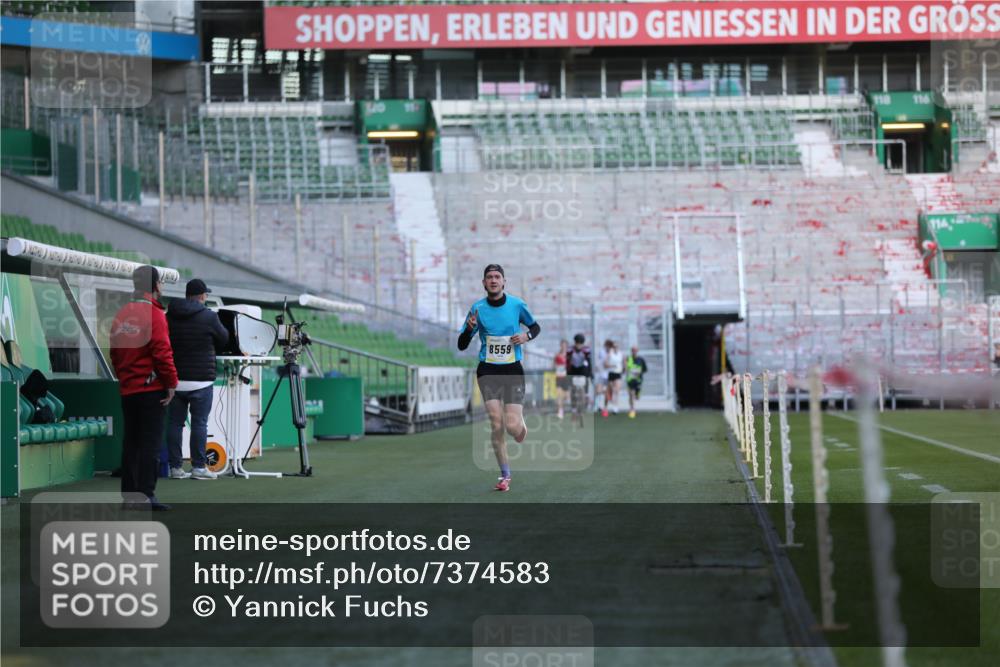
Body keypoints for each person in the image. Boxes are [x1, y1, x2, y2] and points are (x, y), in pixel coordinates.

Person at [458, 264, 540, 492]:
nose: (493, 280)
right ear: (484, 283)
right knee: (496, 423)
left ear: (504, 282)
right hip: (488, 371)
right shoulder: (477, 308)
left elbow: (535, 327)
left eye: (497, 277)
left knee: (512, 427)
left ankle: (520, 425)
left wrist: (526, 336)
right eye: (489, 277)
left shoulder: (516, 305)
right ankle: (505, 475)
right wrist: (468, 330)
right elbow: (462, 344)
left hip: (512, 370)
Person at [110, 265, 178, 511]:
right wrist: (171, 383)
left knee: (132, 444)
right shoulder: (156, 314)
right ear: (157, 285)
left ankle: (129, 497)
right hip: (151, 390)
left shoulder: (122, 313)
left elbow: (115, 353)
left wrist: (125, 378)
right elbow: (162, 353)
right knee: (150, 445)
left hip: (129, 389)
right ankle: (146, 496)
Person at [166, 278, 230, 480]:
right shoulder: (209, 316)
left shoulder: (169, 316)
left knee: (175, 424)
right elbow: (224, 338)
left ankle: (175, 468)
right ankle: (199, 468)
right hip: (201, 380)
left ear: (187, 295)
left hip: (175, 380)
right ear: (202, 296)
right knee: (199, 423)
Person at [625, 346, 648, 418]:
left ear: (637, 351)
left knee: (636, 397)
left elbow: (645, 369)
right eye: (633, 350)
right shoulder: (628, 359)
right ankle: (632, 409)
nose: (634, 352)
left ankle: (638, 394)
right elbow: (625, 368)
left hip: (638, 379)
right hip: (630, 379)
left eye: (635, 350)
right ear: (631, 351)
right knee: (631, 394)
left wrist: (639, 372)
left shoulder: (641, 359)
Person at [603, 340, 624, 417]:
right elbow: (605, 364)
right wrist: (612, 366)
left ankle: (615, 407)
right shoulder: (609, 354)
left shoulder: (620, 354)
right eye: (614, 346)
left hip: (618, 374)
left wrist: (623, 369)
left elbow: (623, 363)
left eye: (616, 346)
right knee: (609, 392)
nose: (615, 348)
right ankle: (605, 407)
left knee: (616, 391)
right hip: (611, 374)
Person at [554, 339, 570, 420]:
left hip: (566, 377)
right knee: (559, 394)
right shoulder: (557, 355)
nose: (563, 346)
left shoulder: (569, 355)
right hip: (559, 377)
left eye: (565, 345)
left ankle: (564, 407)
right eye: (562, 344)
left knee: (567, 396)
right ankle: (560, 411)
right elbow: (554, 365)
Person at [593, 340, 609, 414]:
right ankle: (597, 406)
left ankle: (603, 407)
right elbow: (603, 363)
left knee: (605, 391)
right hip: (601, 375)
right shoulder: (602, 352)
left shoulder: (611, 353)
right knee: (598, 391)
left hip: (608, 376)